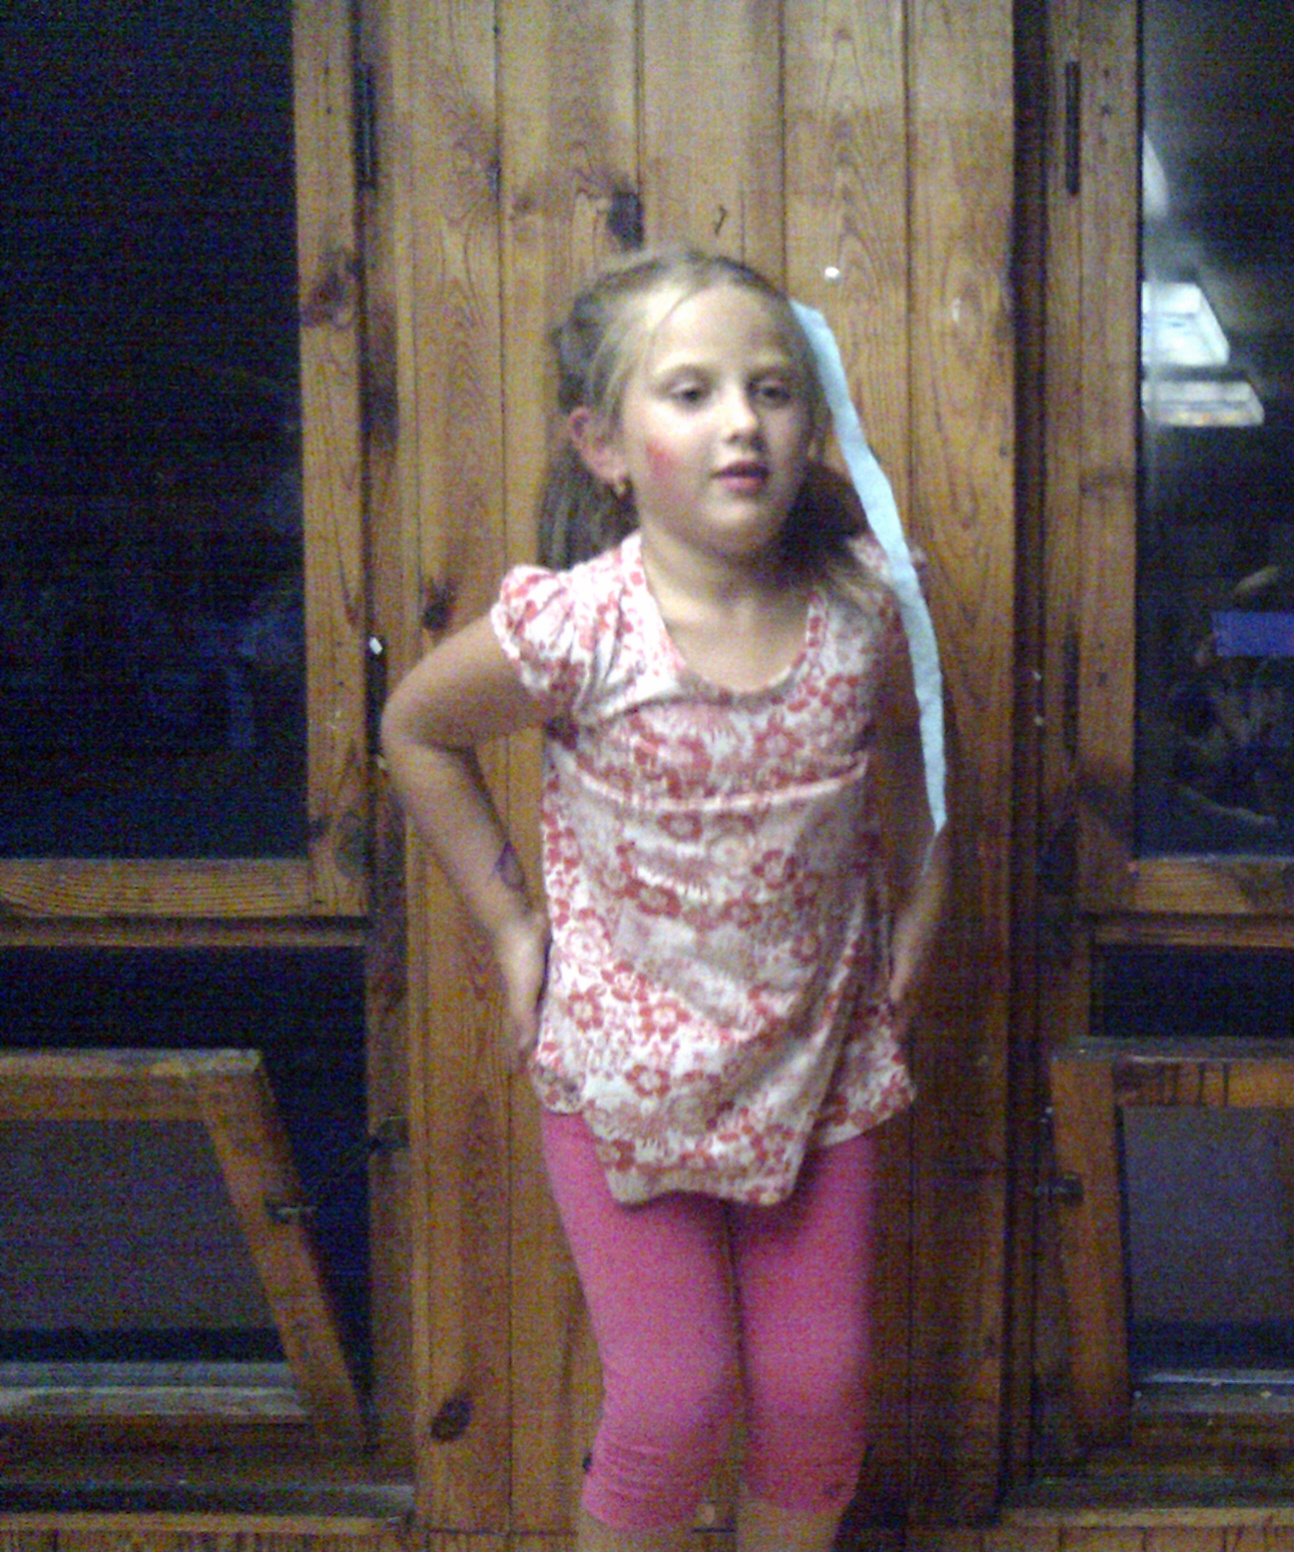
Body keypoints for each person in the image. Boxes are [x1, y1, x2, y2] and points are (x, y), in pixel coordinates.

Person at [381, 245, 945, 1552]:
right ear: (604, 446)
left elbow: (920, 753)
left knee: (816, 1400)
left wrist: (922, 913)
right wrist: (512, 927)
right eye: (690, 394)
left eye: (772, 390)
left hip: (819, 1063)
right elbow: (416, 727)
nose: (742, 421)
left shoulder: (864, 612)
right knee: (675, 1399)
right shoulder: (578, 628)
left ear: (810, 423)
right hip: (621, 1071)